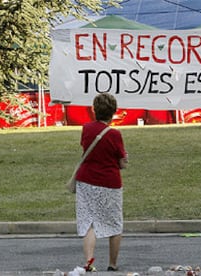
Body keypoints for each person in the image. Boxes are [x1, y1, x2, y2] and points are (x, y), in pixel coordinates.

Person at [75, 93, 128, 272]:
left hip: (86, 180)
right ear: (114, 112)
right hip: (109, 182)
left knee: (89, 221)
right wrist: (125, 159)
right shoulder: (115, 134)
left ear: (94, 110)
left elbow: (86, 149)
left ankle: (89, 261)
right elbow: (121, 163)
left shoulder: (86, 128)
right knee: (114, 223)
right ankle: (112, 264)